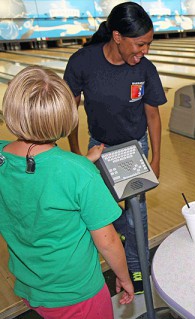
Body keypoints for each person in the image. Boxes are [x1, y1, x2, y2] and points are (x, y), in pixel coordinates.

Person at [0, 65, 134, 319]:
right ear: (65, 115)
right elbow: (108, 242)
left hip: (31, 286)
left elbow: (37, 178)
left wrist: (81, 163)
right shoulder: (78, 173)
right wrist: (124, 277)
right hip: (76, 295)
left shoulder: (2, 156)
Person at [63, 1, 167, 294]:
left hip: (135, 147)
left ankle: (138, 269)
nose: (144, 51)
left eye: (148, 44)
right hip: (100, 148)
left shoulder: (145, 69)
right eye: (139, 44)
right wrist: (75, 153)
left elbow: (153, 115)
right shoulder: (83, 61)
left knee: (138, 215)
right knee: (100, 210)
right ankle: (122, 241)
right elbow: (71, 112)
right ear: (118, 36)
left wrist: (156, 158)